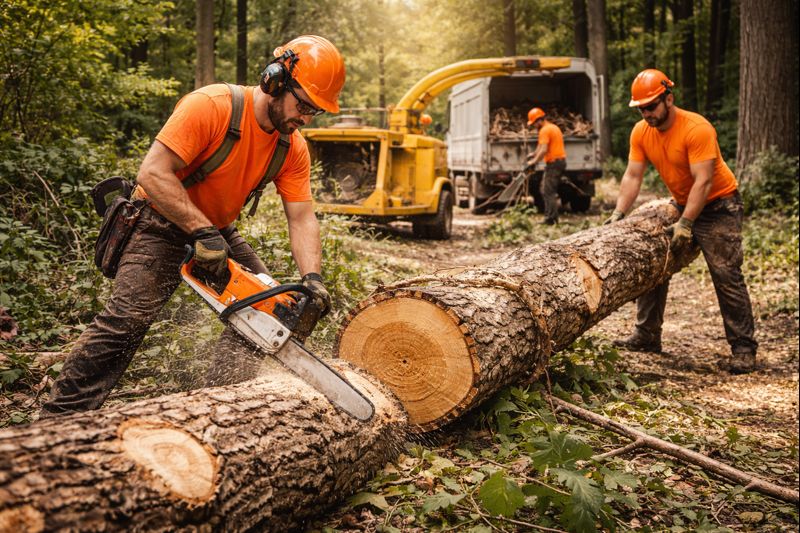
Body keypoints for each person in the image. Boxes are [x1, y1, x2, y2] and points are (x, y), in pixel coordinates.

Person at [40, 35, 344, 417]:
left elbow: (300, 216)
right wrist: (201, 232)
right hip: (157, 220)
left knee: (269, 310)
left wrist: (311, 276)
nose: (304, 118)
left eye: (314, 111)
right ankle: (58, 419)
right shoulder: (212, 106)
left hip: (217, 230)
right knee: (127, 320)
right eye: (303, 105)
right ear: (275, 81)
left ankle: (216, 405)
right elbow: (152, 172)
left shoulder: (291, 147)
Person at [605, 68, 758, 374]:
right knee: (655, 262)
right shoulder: (641, 132)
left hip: (719, 205)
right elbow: (633, 175)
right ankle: (647, 334)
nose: (647, 114)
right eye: (642, 108)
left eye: (651, 106)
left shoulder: (696, 128)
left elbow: (703, 182)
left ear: (668, 99)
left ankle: (743, 348)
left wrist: (687, 223)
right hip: (681, 201)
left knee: (725, 273)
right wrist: (618, 214)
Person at [526, 107, 566, 225]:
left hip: (555, 163)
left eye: (534, 123)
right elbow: (541, 146)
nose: (534, 126)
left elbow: (543, 150)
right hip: (558, 162)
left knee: (548, 191)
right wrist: (533, 155)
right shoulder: (552, 127)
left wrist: (533, 162)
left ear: (539, 120)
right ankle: (550, 216)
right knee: (545, 189)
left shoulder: (544, 130)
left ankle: (551, 219)